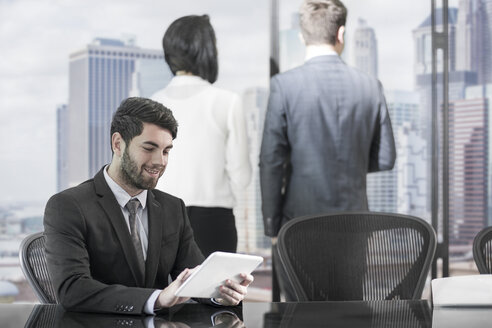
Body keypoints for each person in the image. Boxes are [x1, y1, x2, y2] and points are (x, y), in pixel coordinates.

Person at [44, 97, 253, 314]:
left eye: (165, 151)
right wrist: (158, 298)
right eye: (149, 148)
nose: (160, 161)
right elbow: (73, 289)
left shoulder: (173, 208)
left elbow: (196, 279)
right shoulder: (68, 206)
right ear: (118, 144)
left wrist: (221, 294)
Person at [259, 0, 396, 299]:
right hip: (353, 224)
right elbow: (385, 158)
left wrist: (271, 224)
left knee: (301, 310)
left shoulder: (285, 85)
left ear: (301, 35)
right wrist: (352, 161)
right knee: (348, 308)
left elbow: (270, 160)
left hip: (298, 223)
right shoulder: (371, 86)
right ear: (341, 33)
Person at [152, 15, 251, 258]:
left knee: (166, 295)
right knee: (219, 295)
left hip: (161, 219)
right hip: (215, 222)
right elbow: (242, 176)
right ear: (207, 51)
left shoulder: (151, 104)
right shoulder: (228, 102)